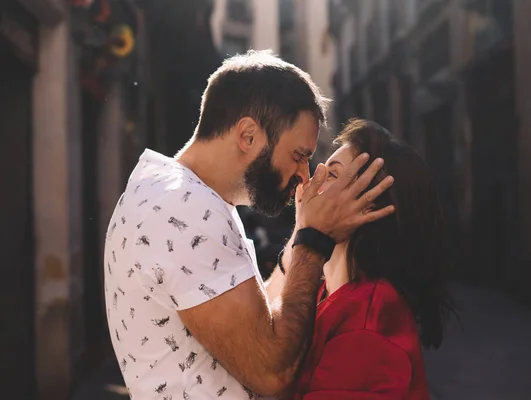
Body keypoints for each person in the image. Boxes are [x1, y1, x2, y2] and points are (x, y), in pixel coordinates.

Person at [103, 50, 394, 400]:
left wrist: (304, 229)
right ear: (248, 135)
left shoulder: (182, 197)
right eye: (299, 155)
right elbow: (272, 372)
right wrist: (314, 241)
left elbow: (256, 317)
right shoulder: (185, 209)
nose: (304, 174)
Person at [284, 120, 456, 399]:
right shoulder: (323, 293)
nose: (311, 180)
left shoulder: (369, 322)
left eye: (332, 175)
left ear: (368, 206)